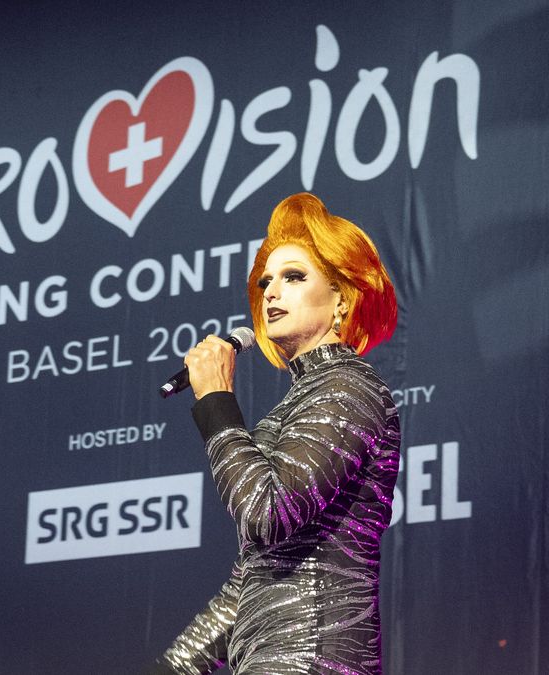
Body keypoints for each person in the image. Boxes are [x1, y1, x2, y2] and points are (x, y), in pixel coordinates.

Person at [150, 193, 401, 674]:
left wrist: (217, 400)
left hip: (314, 657)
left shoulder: (348, 387)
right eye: (266, 280)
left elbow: (267, 514)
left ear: (341, 298)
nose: (270, 292)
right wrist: (172, 667)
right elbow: (255, 576)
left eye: (293, 277)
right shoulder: (299, 400)